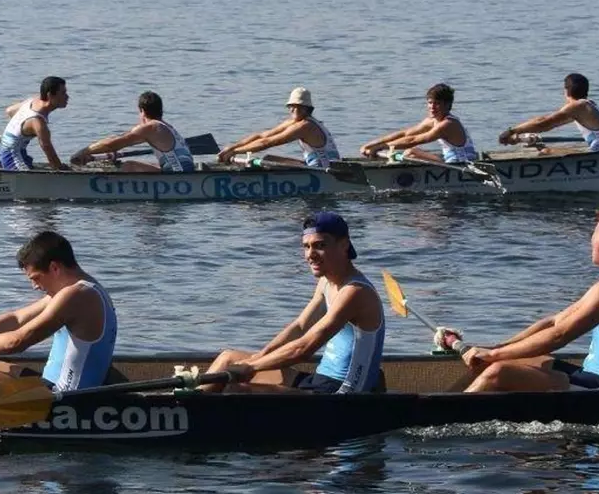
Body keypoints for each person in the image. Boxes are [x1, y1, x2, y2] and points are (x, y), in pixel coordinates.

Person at [448, 204, 599, 392]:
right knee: (490, 363)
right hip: (589, 376)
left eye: (594, 232)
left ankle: (444, 412)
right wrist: (496, 349)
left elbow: (560, 335)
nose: (591, 240)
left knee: (498, 372)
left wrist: (493, 355)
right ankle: (442, 403)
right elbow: (554, 322)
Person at [200, 212, 385, 394]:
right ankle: (189, 404)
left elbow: (303, 348)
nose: (310, 254)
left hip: (343, 394)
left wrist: (252, 367)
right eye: (306, 246)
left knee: (237, 390)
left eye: (320, 245)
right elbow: (300, 327)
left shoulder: (355, 292)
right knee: (228, 358)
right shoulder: (326, 282)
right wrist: (258, 357)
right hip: (319, 380)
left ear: (344, 244)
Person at [0, 231, 117, 392]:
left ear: (54, 268)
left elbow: (16, 341)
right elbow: (16, 319)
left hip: (64, 399)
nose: (34, 286)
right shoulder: (80, 289)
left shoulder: (77, 296)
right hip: (47, 384)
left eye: (35, 278)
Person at [69, 91, 195, 173]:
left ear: (142, 111)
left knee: (129, 166)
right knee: (148, 164)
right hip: (182, 170)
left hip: (177, 174)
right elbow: (120, 139)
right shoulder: (166, 126)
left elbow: (112, 145)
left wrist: (84, 151)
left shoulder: (151, 127)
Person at [216, 87, 341, 168]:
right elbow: (262, 136)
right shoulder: (294, 121)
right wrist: (232, 147)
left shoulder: (306, 126)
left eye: (300, 106)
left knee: (267, 162)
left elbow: (267, 143)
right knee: (268, 159)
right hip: (316, 165)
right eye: (292, 106)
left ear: (308, 109)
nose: (295, 109)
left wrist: (235, 152)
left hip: (326, 170)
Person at [498, 73, 599, 151]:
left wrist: (511, 131)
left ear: (566, 90)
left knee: (546, 152)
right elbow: (548, 124)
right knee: (546, 150)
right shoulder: (588, 105)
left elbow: (543, 124)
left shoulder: (578, 106)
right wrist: (521, 138)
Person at [360, 83, 478, 164]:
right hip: (448, 162)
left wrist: (381, 147)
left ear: (447, 105)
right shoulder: (432, 120)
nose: (432, 107)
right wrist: (371, 144)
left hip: (463, 164)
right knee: (409, 153)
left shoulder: (448, 124)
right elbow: (406, 134)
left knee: (411, 152)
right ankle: (390, 160)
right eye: (430, 103)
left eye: (437, 103)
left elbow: (413, 140)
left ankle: (391, 165)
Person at [0, 76, 69, 171]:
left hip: (19, 152)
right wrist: (60, 169)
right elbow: (47, 148)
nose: (67, 97)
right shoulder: (37, 122)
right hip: (12, 159)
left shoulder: (32, 101)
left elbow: (10, 110)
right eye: (63, 93)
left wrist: (19, 131)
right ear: (50, 95)